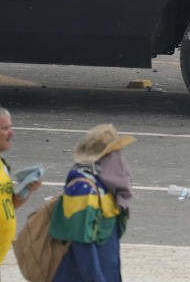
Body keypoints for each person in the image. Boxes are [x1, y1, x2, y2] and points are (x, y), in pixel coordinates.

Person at [50, 124, 135, 282]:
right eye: (114, 153)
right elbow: (82, 244)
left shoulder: (106, 187)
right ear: (102, 158)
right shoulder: (82, 188)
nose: (120, 158)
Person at [0, 107, 42, 271]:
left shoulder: (2, 165)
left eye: (10, 128)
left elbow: (8, 205)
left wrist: (28, 189)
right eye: (5, 128)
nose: (11, 134)